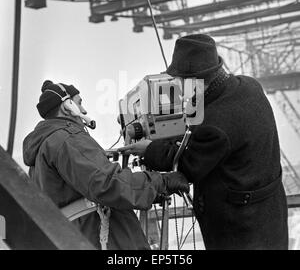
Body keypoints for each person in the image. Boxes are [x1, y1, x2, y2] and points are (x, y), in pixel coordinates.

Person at [119, 34, 289, 250]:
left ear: (193, 81)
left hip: (241, 229)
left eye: (179, 80)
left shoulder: (215, 122)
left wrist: (150, 149)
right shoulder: (249, 86)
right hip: (269, 213)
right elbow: (219, 139)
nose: (177, 85)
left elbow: (189, 165)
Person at [23, 80, 189, 250]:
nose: (84, 110)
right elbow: (107, 183)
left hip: (78, 236)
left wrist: (150, 192)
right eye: (80, 103)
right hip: (101, 239)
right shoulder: (68, 140)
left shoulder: (43, 148)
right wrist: (160, 182)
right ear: (68, 107)